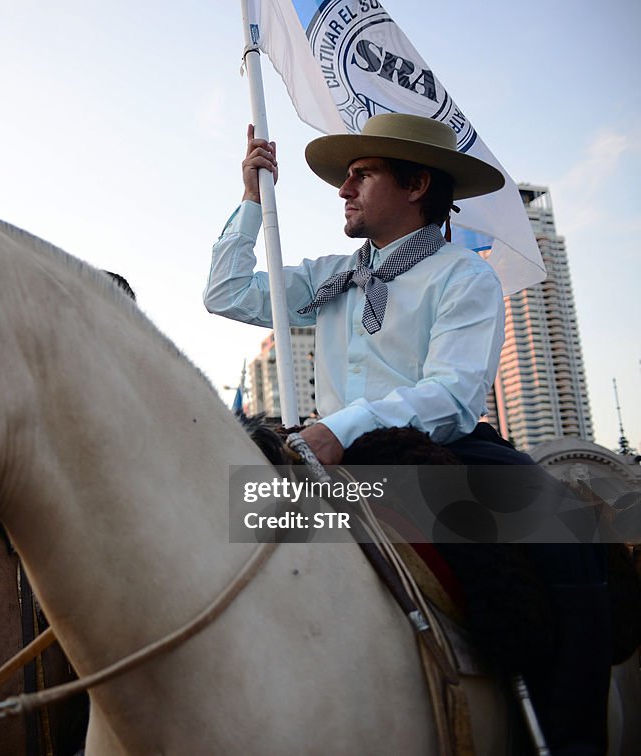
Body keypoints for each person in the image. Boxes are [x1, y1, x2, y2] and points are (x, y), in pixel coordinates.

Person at [204, 113, 610, 755]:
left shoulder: (463, 276)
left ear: (416, 183)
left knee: (569, 541)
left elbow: (449, 395)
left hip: (437, 453)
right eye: (347, 178)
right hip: (326, 461)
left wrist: (342, 429)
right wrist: (252, 200)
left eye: (361, 175)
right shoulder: (327, 277)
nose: (344, 189)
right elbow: (225, 293)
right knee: (218, 527)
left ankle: (564, 738)